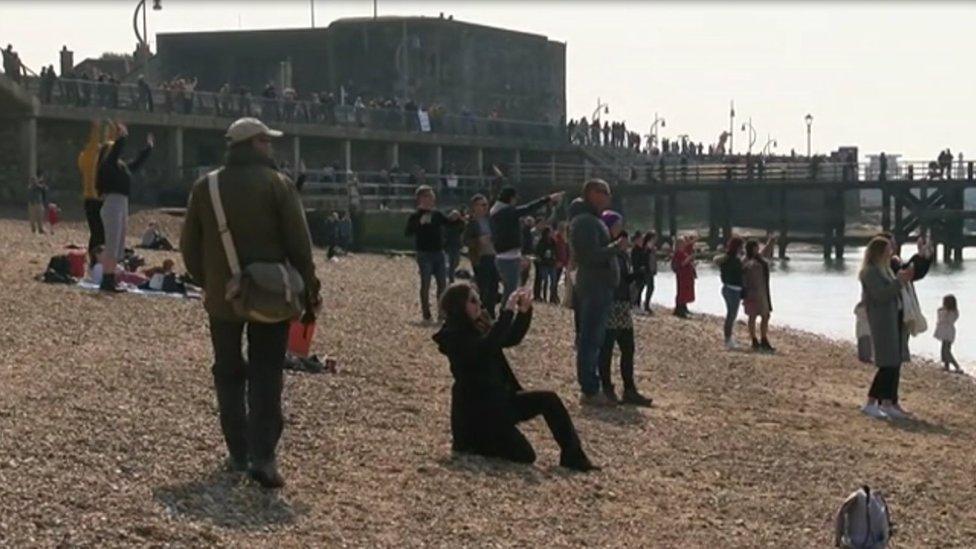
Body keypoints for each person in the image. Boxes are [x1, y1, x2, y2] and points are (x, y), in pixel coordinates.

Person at [180, 117, 322, 488]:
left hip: (222, 295)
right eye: (266, 141)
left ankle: (237, 450)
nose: (271, 147)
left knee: (227, 370)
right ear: (255, 144)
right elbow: (299, 245)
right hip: (271, 294)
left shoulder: (205, 186)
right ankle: (264, 456)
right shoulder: (278, 184)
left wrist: (208, 281)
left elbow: (189, 246)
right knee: (266, 372)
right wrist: (310, 289)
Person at [432, 284, 597, 472]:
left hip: (501, 401)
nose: (479, 304)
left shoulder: (478, 325)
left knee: (549, 400)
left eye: (477, 299)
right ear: (458, 305)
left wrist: (523, 312)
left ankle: (573, 457)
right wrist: (506, 313)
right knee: (525, 455)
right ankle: (474, 443)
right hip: (479, 413)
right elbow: (485, 347)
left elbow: (509, 338)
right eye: (472, 300)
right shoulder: (453, 335)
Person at [568, 179, 619, 405]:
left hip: (599, 284)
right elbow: (588, 255)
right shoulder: (586, 222)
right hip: (594, 284)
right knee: (590, 338)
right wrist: (615, 248)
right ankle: (589, 388)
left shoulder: (590, 220)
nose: (609, 197)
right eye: (604, 192)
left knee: (594, 338)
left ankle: (593, 385)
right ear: (591, 193)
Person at [597, 212, 653, 406]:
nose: (620, 229)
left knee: (628, 348)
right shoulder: (605, 249)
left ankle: (629, 389)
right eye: (617, 225)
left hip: (622, 304)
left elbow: (622, 277)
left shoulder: (621, 252)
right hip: (610, 304)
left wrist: (636, 275)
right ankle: (606, 387)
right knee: (607, 349)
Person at [859, 236, 915, 420]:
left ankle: (888, 402)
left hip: (894, 318)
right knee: (887, 364)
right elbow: (880, 296)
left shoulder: (885, 269)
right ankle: (870, 402)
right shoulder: (870, 272)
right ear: (879, 252)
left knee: (894, 362)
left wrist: (903, 278)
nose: (891, 253)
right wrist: (899, 282)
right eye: (887, 250)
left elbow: (894, 288)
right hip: (882, 320)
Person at [96, 123, 154, 292]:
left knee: (118, 244)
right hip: (113, 203)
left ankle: (111, 278)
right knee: (112, 244)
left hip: (122, 203)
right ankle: (107, 280)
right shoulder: (107, 165)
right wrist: (122, 137)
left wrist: (148, 148)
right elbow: (115, 153)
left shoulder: (122, 168)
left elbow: (136, 164)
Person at [489, 186, 562, 307]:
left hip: (506, 255)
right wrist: (548, 199)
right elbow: (528, 208)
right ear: (510, 199)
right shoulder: (505, 212)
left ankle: (506, 311)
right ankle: (506, 313)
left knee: (510, 288)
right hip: (508, 256)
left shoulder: (497, 211)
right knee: (511, 290)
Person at [405, 186, 461, 322]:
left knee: (442, 284)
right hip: (424, 254)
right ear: (421, 198)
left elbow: (449, 224)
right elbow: (407, 233)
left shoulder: (437, 214)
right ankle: (426, 313)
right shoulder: (415, 216)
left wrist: (456, 218)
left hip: (439, 253)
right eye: (429, 196)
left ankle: (442, 312)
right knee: (426, 284)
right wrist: (420, 222)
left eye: (433, 196)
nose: (433, 199)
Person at [464, 194, 500, 317]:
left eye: (486, 205)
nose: (485, 207)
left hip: (493, 256)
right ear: (475, 207)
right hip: (480, 257)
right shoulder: (471, 223)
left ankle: (490, 312)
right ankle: (482, 312)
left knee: (494, 285)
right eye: (482, 205)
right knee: (483, 286)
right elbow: (466, 241)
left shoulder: (490, 221)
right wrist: (478, 240)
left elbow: (497, 236)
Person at [79, 121, 110, 264]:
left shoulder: (87, 158)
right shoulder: (89, 157)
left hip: (92, 199)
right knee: (99, 232)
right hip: (94, 199)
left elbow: (107, 146)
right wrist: (97, 128)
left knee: (97, 232)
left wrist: (109, 129)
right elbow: (99, 145)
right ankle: (95, 258)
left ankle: (95, 258)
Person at [742, 237, 776, 352]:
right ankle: (754, 340)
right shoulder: (745, 261)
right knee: (752, 316)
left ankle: (764, 339)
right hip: (751, 293)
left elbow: (766, 251)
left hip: (763, 292)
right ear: (751, 249)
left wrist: (771, 242)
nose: (758, 249)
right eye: (756, 247)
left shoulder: (759, 258)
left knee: (765, 315)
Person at [715, 237, 745, 349]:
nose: (742, 248)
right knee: (731, 315)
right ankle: (728, 340)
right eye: (741, 246)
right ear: (737, 247)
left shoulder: (726, 259)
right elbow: (739, 273)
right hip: (733, 290)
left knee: (731, 315)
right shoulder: (734, 260)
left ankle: (729, 338)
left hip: (728, 288)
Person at [671, 235, 697, 318]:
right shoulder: (678, 253)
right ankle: (680, 309)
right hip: (682, 275)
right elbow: (681, 264)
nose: (684, 244)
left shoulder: (682, 252)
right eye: (682, 243)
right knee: (682, 291)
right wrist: (689, 259)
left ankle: (683, 307)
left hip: (686, 275)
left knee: (685, 291)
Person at [934, 294, 961, 372]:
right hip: (945, 332)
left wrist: (944, 312)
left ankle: (956, 366)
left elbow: (946, 319)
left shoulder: (953, 312)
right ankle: (946, 366)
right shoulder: (944, 311)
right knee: (944, 350)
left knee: (946, 350)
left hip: (948, 332)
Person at [533, 225, 557, 303]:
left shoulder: (553, 242)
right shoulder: (541, 242)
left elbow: (555, 251)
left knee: (553, 281)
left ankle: (552, 298)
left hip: (552, 264)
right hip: (544, 264)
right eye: (550, 232)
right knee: (545, 281)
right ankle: (544, 297)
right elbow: (538, 253)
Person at [444, 210, 465, 283]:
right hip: (449, 244)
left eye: (456, 215)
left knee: (457, 261)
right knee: (452, 261)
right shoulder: (447, 223)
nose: (454, 217)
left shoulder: (460, 223)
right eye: (453, 215)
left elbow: (463, 231)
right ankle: (451, 278)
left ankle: (450, 271)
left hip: (457, 244)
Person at [552, 221, 571, 305]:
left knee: (558, 280)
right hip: (556, 263)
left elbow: (567, 251)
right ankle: (553, 296)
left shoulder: (565, 240)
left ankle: (556, 296)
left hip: (563, 263)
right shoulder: (556, 239)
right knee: (554, 281)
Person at [641, 232, 659, 313]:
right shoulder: (647, 247)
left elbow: (653, 260)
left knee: (649, 287)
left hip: (650, 270)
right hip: (647, 270)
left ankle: (646, 304)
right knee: (649, 287)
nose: (655, 240)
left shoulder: (651, 248)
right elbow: (646, 259)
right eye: (654, 238)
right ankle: (646, 305)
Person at [629, 231, 647, 310]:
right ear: (636, 240)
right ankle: (635, 304)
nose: (642, 241)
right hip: (637, 272)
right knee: (637, 288)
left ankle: (638, 304)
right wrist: (639, 268)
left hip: (642, 272)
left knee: (641, 287)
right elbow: (634, 262)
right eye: (640, 239)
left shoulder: (642, 249)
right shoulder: (635, 250)